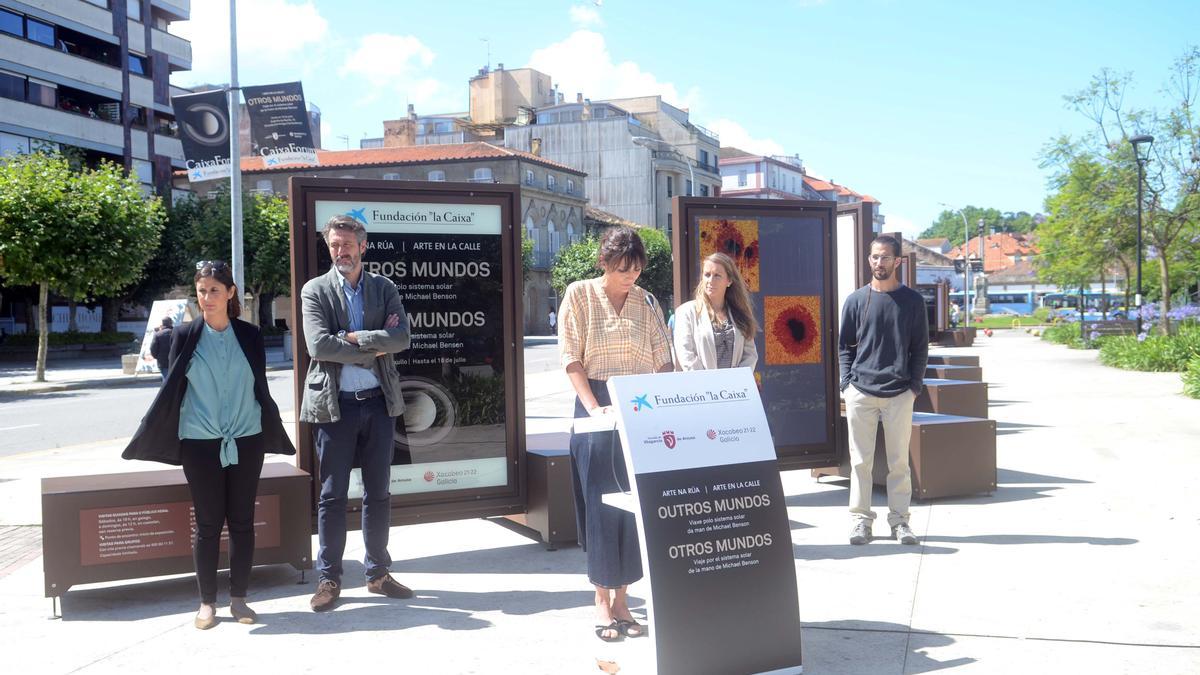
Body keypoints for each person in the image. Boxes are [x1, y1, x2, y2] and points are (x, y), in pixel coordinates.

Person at [122, 261, 296, 629]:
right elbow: (175, 391)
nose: (207, 298)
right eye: (201, 291)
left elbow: (258, 387)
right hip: (200, 442)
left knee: (243, 521)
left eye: (215, 290)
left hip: (246, 439)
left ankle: (239, 599)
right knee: (207, 524)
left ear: (231, 293)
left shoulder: (249, 335)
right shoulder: (183, 335)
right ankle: (206, 603)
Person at [558, 226, 672, 642]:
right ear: (603, 263)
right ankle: (601, 602)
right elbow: (571, 357)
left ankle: (623, 601)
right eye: (623, 268)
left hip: (638, 403)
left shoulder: (647, 301)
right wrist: (594, 407)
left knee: (633, 506)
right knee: (601, 504)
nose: (631, 276)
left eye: (637, 268)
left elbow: (663, 357)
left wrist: (662, 402)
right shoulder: (580, 294)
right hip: (595, 402)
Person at [301, 214, 412, 612]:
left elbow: (402, 337)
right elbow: (318, 346)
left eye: (347, 245)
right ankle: (329, 579)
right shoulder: (314, 291)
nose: (340, 252)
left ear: (363, 247)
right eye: (334, 245)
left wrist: (354, 338)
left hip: (379, 404)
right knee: (332, 496)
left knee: (377, 493)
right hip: (335, 407)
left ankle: (378, 574)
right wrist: (372, 348)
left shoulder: (384, 288)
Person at [838, 235, 929, 546]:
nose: (879, 263)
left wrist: (913, 388)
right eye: (875, 257)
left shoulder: (913, 302)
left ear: (897, 262)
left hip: (900, 393)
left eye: (885, 258)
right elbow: (844, 347)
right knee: (860, 462)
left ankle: (900, 522)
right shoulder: (855, 300)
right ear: (869, 260)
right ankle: (860, 522)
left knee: (898, 462)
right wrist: (845, 385)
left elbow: (920, 349)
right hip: (861, 392)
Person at [673, 252, 758, 371]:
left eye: (717, 275)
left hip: (735, 387)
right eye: (707, 275)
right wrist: (711, 383)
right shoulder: (686, 312)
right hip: (701, 386)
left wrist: (737, 381)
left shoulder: (739, 313)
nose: (710, 280)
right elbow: (685, 353)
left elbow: (750, 354)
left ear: (729, 281)